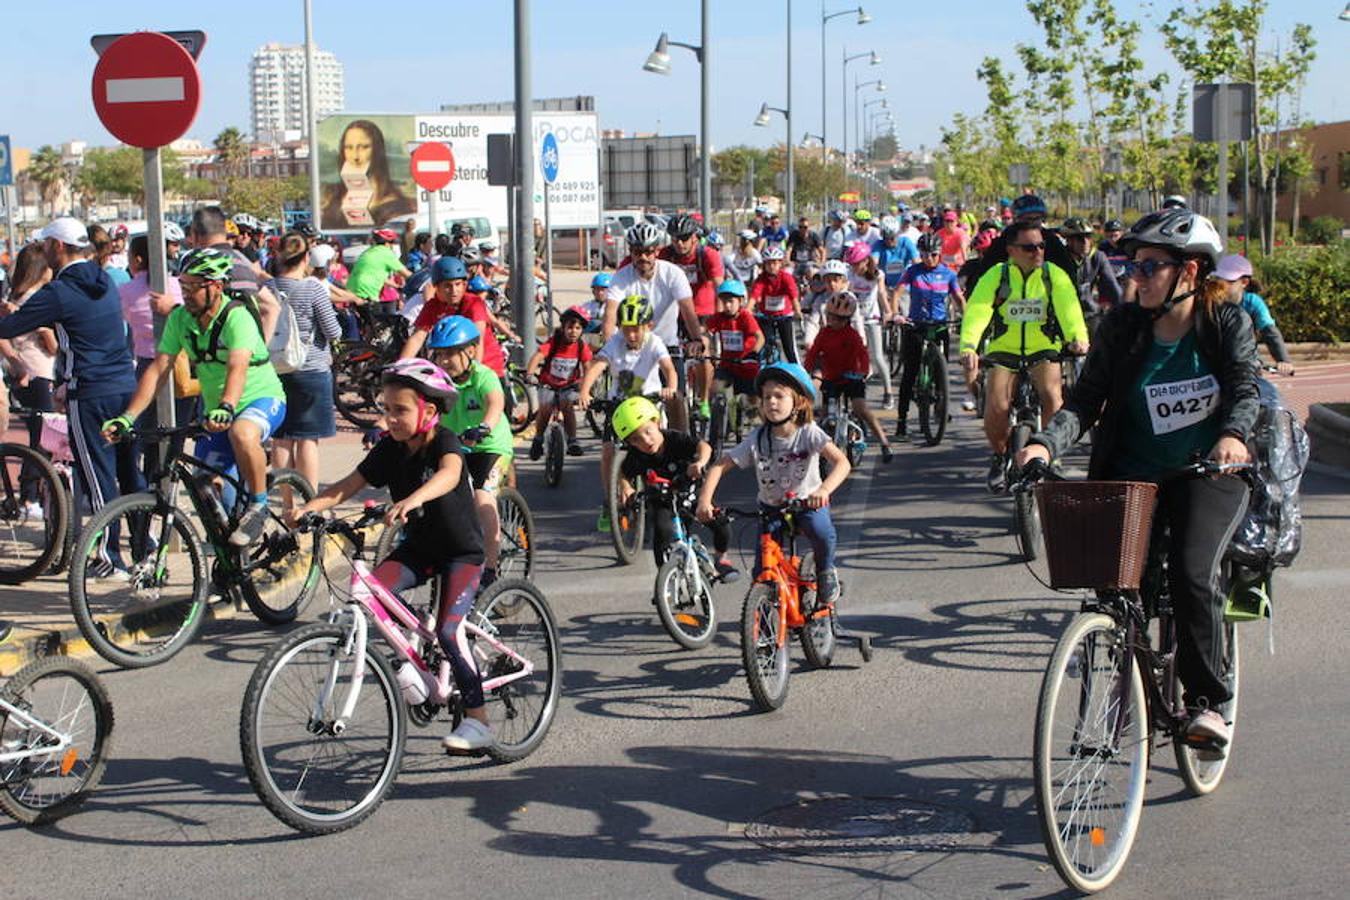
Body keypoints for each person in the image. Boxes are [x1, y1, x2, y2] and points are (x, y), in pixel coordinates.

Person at [1016, 208, 1257, 749]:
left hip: (1210, 471)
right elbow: (1084, 402)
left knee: (1193, 573)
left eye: (1150, 266)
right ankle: (1130, 695)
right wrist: (1043, 443)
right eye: (1133, 265)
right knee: (1119, 590)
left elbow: (1245, 389)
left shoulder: (1224, 324)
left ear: (1190, 271)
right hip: (1132, 476)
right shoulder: (1122, 327)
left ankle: (1207, 702)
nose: (1136, 277)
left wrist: (1235, 435)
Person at [291, 358, 493, 752]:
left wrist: (413, 498)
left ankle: (478, 719)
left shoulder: (444, 441)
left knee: (449, 632)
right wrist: (309, 509)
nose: (391, 418)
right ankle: (413, 655)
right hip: (419, 548)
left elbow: (450, 474)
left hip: (462, 553)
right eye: (386, 409)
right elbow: (347, 485)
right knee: (370, 597)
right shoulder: (390, 449)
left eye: (400, 410)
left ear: (429, 411)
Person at [105, 247, 286, 547]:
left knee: (242, 433)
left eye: (192, 287)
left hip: (260, 398)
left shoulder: (236, 317)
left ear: (215, 287)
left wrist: (227, 406)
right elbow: (158, 370)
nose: (185, 293)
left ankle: (259, 504)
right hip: (217, 412)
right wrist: (127, 417)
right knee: (204, 485)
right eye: (182, 286)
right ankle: (229, 556)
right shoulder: (180, 319)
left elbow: (237, 367)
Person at [0, 218, 143, 566]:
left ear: (58, 247)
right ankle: (144, 551)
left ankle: (111, 557)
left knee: (96, 476)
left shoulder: (60, 291)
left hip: (90, 391)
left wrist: (9, 314)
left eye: (46, 244)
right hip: (126, 386)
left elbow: (9, 327)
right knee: (130, 473)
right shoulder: (105, 280)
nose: (42, 251)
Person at [696, 362, 850, 605]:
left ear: (798, 402)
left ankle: (825, 571)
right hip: (771, 509)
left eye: (779, 396)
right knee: (762, 571)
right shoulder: (757, 439)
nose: (771, 402)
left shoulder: (808, 432)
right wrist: (704, 501)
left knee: (821, 532)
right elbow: (718, 466)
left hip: (808, 503)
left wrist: (823, 490)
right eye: (767, 397)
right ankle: (766, 615)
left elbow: (842, 462)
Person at [960, 220, 1089, 492]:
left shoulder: (1053, 275)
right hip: (1003, 350)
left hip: (1043, 348)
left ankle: (1050, 453)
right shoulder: (997, 275)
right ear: (1012, 250)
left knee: (1053, 395)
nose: (1038, 252)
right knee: (996, 407)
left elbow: (1069, 307)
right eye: (1030, 247)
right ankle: (999, 455)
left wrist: (1077, 337)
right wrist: (969, 346)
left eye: (1041, 246)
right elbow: (978, 310)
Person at [424, 315, 513, 592]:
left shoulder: (483, 376)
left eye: (451, 353)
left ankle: (490, 568)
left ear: (471, 351)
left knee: (482, 497)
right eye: (439, 354)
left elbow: (495, 403)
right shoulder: (437, 381)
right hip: (456, 446)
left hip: (490, 446)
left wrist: (484, 426)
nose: (444, 360)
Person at [612, 395, 739, 581]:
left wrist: (700, 463)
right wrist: (626, 488)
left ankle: (721, 558)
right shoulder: (637, 455)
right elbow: (624, 473)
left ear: (656, 422)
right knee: (661, 534)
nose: (646, 442)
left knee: (721, 525)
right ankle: (663, 578)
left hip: (689, 491)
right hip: (661, 499)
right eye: (636, 440)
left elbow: (704, 447)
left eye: (648, 432)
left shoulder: (674, 439)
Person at [579, 294, 678, 532]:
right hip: (620, 407)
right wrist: (585, 390)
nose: (631, 335)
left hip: (648, 406)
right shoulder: (615, 342)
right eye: (626, 329)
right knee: (607, 452)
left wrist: (671, 388)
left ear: (648, 326)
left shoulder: (654, 342)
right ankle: (610, 500)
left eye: (636, 329)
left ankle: (668, 496)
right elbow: (598, 365)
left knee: (658, 451)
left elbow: (669, 369)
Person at [602, 222, 703, 434]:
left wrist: (696, 339)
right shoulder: (621, 277)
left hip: (666, 344)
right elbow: (610, 313)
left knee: (676, 397)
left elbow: (687, 310)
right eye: (638, 252)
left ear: (657, 251)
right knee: (625, 398)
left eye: (649, 251)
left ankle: (680, 445)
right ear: (631, 252)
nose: (644, 257)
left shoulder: (673, 273)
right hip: (633, 346)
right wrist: (608, 345)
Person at [268, 233, 342, 494]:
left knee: (281, 439)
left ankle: (287, 503)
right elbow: (333, 331)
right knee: (308, 440)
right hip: (311, 370)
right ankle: (309, 503)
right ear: (306, 257)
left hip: (275, 369)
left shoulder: (268, 288)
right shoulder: (312, 288)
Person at [0, 244, 57, 513]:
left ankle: (28, 494)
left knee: (37, 436)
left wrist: (15, 364)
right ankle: (30, 495)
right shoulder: (36, 299)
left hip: (26, 374)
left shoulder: (15, 296)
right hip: (39, 372)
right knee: (43, 438)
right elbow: (53, 345)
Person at [804, 291, 894, 462]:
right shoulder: (824, 333)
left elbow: (863, 354)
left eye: (837, 319)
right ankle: (818, 447)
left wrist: (863, 371)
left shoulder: (851, 335)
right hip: (831, 377)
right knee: (824, 414)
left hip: (852, 377)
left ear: (846, 320)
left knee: (860, 408)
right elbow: (813, 353)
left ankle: (884, 443)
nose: (832, 321)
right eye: (830, 316)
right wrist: (806, 370)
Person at [895, 234, 966, 436]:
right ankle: (902, 419)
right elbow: (898, 293)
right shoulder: (913, 272)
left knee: (940, 370)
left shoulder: (948, 274)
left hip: (940, 326)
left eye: (934, 254)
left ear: (940, 253)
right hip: (916, 325)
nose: (929, 259)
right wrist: (894, 314)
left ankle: (941, 408)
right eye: (925, 255)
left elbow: (958, 299)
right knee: (910, 373)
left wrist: (967, 318)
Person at [661, 214, 722, 418]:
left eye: (684, 238)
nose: (679, 243)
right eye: (675, 238)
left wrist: (719, 316)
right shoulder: (665, 255)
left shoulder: (708, 255)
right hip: (674, 312)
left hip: (701, 311)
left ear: (694, 237)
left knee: (702, 352)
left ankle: (703, 401)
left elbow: (718, 285)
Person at [319, 119, 416, 231]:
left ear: (377, 150)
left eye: (364, 147)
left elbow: (361, 230)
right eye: (348, 148)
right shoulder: (331, 194)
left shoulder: (394, 206)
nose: (355, 156)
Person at [526, 305, 593, 458]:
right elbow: (537, 357)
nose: (573, 331)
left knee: (567, 406)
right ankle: (538, 439)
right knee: (545, 408)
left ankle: (572, 440)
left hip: (569, 385)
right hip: (548, 383)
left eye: (578, 328)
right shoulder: (554, 342)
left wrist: (586, 385)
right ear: (563, 327)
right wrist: (530, 374)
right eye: (570, 327)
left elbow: (588, 367)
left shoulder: (581, 346)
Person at [1211, 254, 1295, 376]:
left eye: (1228, 281)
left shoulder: (1253, 303)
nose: (1221, 285)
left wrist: (1284, 360)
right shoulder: (1210, 302)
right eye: (1219, 279)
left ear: (1244, 282)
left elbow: (1269, 332)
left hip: (1246, 364)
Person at [971, 194, 1076, 284]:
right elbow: (983, 276)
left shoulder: (1052, 241)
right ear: (1016, 219)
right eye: (1028, 219)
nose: (1033, 224)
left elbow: (1069, 276)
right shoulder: (1003, 242)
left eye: (1037, 219)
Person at [843, 242, 894, 406]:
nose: (854, 268)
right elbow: (845, 292)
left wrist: (888, 312)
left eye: (857, 264)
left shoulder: (878, 275)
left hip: (872, 318)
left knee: (878, 356)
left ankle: (888, 393)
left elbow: (881, 293)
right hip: (854, 319)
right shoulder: (850, 274)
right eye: (852, 265)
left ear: (866, 261)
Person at [1061, 217, 1123, 337]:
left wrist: (1125, 312)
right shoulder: (1059, 258)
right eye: (1079, 238)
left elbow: (1113, 288)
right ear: (1068, 240)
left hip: (1089, 313)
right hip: (1063, 314)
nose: (1085, 242)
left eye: (1088, 237)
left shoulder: (1098, 257)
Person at [705, 279, 764, 401]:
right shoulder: (719, 318)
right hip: (727, 364)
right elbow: (706, 332)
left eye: (731, 301)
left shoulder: (745, 317)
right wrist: (703, 346)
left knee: (752, 399)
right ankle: (720, 416)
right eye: (724, 301)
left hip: (746, 365)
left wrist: (753, 354)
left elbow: (760, 338)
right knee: (715, 389)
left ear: (741, 301)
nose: (727, 305)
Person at [748, 247, 800, 365]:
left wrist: (797, 310)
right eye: (769, 263)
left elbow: (793, 295)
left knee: (789, 348)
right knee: (766, 345)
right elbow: (755, 295)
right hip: (766, 316)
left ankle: (799, 373)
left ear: (780, 263)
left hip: (784, 316)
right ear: (764, 264)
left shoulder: (786, 277)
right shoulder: (761, 279)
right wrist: (748, 309)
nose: (772, 266)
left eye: (775, 263)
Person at [347, 228, 411, 310]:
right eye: (393, 243)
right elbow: (406, 273)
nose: (393, 246)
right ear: (387, 243)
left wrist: (397, 287)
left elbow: (378, 276)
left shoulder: (368, 251)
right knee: (375, 321)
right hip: (366, 293)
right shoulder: (385, 253)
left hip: (352, 290)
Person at [786, 217, 824, 282]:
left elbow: (822, 250)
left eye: (805, 227)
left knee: (812, 273)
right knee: (787, 273)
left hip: (809, 262)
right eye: (800, 227)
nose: (803, 229)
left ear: (809, 227)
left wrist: (821, 262)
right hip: (795, 262)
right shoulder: (794, 235)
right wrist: (788, 261)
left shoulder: (813, 235)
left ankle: (811, 289)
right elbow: (789, 250)